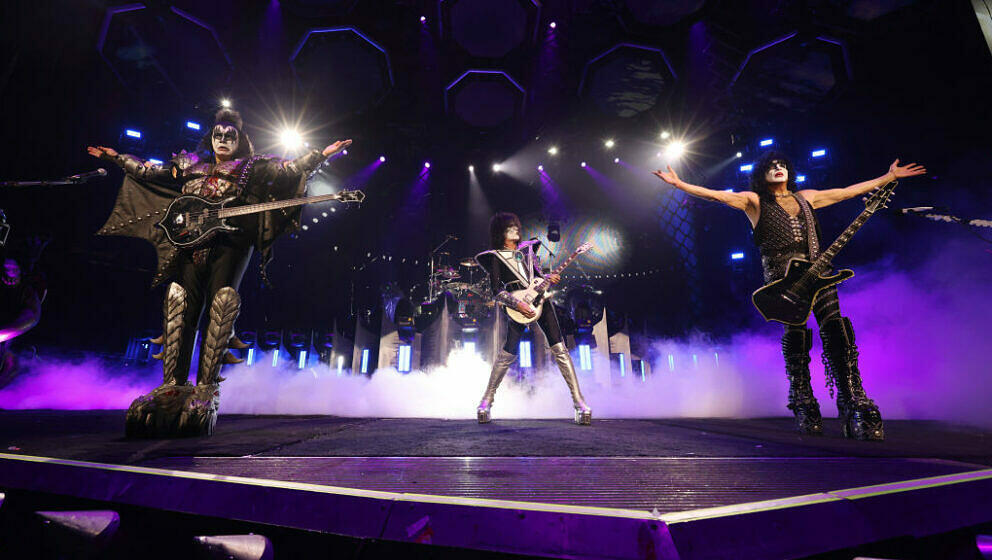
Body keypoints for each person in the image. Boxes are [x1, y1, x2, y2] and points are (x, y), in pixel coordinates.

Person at [88, 108, 351, 436]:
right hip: (188, 241)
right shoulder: (189, 164)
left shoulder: (252, 166)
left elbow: (289, 170)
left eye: (230, 135)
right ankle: (172, 385)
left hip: (231, 242)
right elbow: (149, 172)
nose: (223, 140)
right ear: (210, 137)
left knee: (222, 303)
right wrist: (118, 158)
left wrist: (320, 155)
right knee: (178, 302)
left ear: (240, 139)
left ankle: (206, 388)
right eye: (218, 135)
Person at [654, 152, 925, 440]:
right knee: (796, 335)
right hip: (783, 279)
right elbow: (717, 196)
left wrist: (889, 177)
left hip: (818, 273)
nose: (778, 168)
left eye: (782, 165)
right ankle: (803, 400)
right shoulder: (754, 201)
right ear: (762, 175)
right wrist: (680, 185)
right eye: (772, 166)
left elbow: (846, 193)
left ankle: (851, 398)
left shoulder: (806, 197)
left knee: (835, 328)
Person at [474, 212, 592, 425]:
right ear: (501, 231)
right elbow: (496, 291)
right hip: (517, 305)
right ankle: (486, 401)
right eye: (511, 227)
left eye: (517, 226)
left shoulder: (528, 249)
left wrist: (549, 279)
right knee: (507, 353)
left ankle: (579, 402)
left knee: (560, 349)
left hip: (541, 302)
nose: (516, 229)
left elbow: (537, 275)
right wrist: (517, 303)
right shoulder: (494, 257)